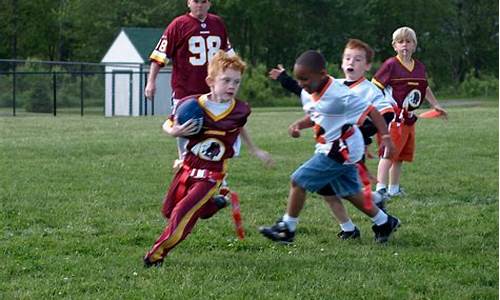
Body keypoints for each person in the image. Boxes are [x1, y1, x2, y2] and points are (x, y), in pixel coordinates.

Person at [259, 50, 401, 244]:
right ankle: (384, 221)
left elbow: (372, 111)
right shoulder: (309, 91)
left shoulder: (339, 94)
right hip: (333, 146)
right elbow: (318, 114)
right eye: (298, 79)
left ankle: (287, 228)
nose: (301, 84)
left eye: (305, 79)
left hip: (342, 149)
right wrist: (300, 124)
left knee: (298, 180)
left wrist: (385, 137)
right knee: (350, 192)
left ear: (322, 73)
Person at [144, 51, 254, 267]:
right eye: (226, 80)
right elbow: (168, 123)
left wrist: (255, 149)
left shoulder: (240, 109)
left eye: (236, 82)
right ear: (210, 82)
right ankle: (214, 204)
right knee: (168, 210)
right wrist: (174, 131)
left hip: (212, 175)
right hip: (188, 167)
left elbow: (239, 126)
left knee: (182, 213)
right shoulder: (191, 104)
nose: (232, 86)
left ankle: (155, 256)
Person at [145, 0, 272, 168]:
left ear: (209, 3)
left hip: (213, 92)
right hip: (186, 92)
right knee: (187, 135)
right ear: (188, 3)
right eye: (196, 1)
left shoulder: (217, 23)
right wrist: (150, 82)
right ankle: (186, 168)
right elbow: (160, 56)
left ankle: (215, 172)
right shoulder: (178, 25)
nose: (199, 5)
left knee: (219, 135)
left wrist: (233, 78)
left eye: (203, 1)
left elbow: (229, 56)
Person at [371, 27, 447, 198]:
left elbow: (424, 87)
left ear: (414, 45)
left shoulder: (419, 67)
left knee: (401, 155)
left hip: (409, 118)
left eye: (408, 41)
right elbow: (374, 88)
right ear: (394, 46)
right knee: (388, 153)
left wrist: (436, 105)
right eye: (400, 41)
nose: (404, 45)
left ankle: (394, 188)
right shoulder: (390, 65)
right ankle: (381, 189)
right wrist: (383, 110)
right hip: (393, 118)